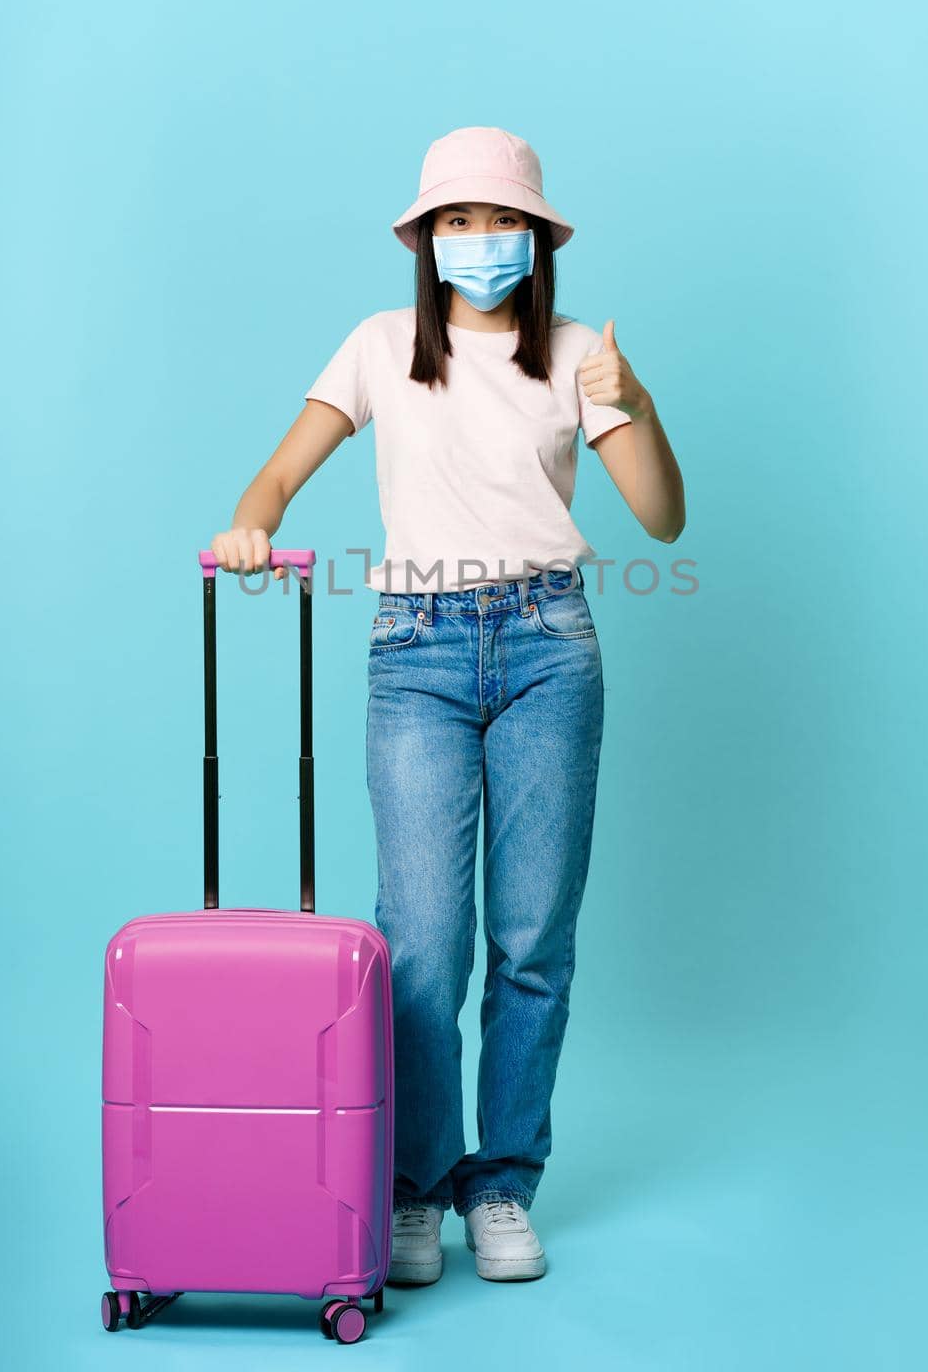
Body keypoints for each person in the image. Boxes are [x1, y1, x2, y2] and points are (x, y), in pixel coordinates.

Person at [209, 125, 686, 1285]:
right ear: (424, 241)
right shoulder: (380, 348)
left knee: (531, 942)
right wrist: (253, 523)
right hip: (414, 651)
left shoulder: (578, 354)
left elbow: (661, 520)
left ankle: (504, 1183)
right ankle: (416, 1185)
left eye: (503, 220)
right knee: (420, 942)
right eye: (459, 222)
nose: (482, 241)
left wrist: (640, 403)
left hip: (547, 648)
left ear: (537, 237)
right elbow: (275, 472)